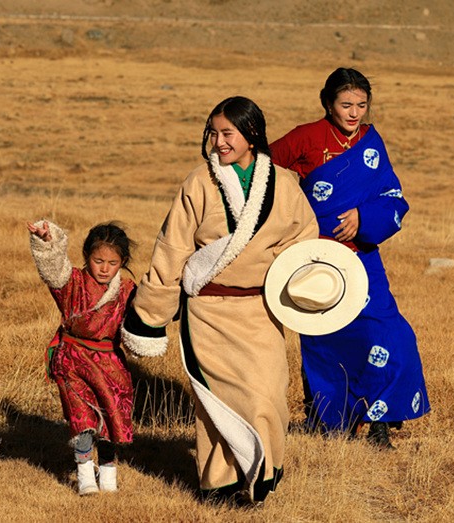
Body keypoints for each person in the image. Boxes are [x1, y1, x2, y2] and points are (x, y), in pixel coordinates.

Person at [120, 96, 318, 505]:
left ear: (252, 135)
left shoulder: (284, 184)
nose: (219, 141)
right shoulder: (198, 182)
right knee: (216, 403)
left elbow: (304, 239)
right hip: (208, 312)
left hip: (261, 311)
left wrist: (289, 275)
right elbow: (172, 247)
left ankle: (261, 473)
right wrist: (150, 313)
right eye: (213, 133)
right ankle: (221, 485)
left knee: (268, 395)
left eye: (228, 133)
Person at [270, 67, 430, 449]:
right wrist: (291, 214)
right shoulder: (305, 137)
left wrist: (363, 218)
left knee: (391, 335)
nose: (354, 113)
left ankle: (380, 421)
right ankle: (328, 419)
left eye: (361, 104)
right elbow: (263, 170)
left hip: (362, 257)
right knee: (327, 343)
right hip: (316, 260)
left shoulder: (371, 143)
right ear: (328, 103)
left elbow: (392, 197)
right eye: (346, 105)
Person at [26, 220, 137, 496]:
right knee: (82, 420)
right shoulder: (72, 282)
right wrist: (48, 242)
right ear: (87, 256)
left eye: (112, 263)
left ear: (122, 262)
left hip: (111, 364)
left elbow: (148, 314)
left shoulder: (127, 290)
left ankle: (108, 473)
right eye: (98, 261)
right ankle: (85, 472)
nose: (104, 268)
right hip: (73, 361)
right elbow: (53, 268)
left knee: (111, 420)